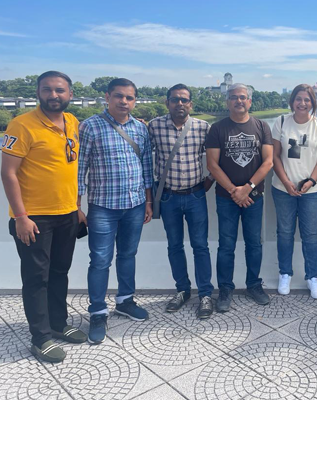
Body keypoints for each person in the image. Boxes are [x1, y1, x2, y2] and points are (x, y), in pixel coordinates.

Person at [1, 71, 87, 362]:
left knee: (60, 272)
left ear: (70, 94)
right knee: (36, 278)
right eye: (47, 90)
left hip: (67, 214)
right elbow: (8, 172)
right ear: (37, 92)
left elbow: (70, 168)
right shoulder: (21, 124)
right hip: (34, 217)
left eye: (60, 90)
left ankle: (59, 324)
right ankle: (41, 337)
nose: (54, 95)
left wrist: (76, 206)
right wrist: (21, 216)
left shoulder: (72, 122)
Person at [78, 78, 153, 344]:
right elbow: (80, 168)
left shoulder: (140, 129)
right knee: (100, 260)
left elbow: (146, 166)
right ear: (107, 97)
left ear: (135, 101)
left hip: (134, 205)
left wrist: (147, 201)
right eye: (119, 96)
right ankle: (98, 311)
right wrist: (77, 206)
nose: (124, 102)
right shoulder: (89, 126)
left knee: (128, 255)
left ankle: (125, 300)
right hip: (103, 207)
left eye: (129, 98)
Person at [148, 84, 215, 318]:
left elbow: (217, 159)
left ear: (191, 104)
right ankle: (183, 289)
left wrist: (209, 181)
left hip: (196, 195)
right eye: (175, 99)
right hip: (168, 197)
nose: (180, 104)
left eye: (184, 100)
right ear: (167, 102)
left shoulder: (202, 127)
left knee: (200, 246)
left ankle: (205, 293)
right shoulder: (154, 127)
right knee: (174, 245)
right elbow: (147, 161)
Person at [206, 83, 273, 312]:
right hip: (227, 198)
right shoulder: (217, 129)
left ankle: (254, 284)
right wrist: (236, 191)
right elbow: (212, 165)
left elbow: (268, 162)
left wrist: (248, 187)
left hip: (254, 196)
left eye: (243, 97)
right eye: (234, 97)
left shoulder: (262, 127)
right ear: (228, 102)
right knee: (226, 245)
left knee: (254, 243)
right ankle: (225, 288)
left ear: (250, 101)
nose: (238, 101)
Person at [271, 84, 317, 298]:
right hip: (282, 189)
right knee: (285, 233)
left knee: (310, 235)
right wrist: (286, 182)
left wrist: (311, 181)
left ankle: (313, 277)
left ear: (313, 102)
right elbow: (275, 156)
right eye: (298, 99)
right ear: (292, 101)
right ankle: (285, 273)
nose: (302, 103)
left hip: (311, 191)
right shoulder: (281, 122)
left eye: (307, 99)